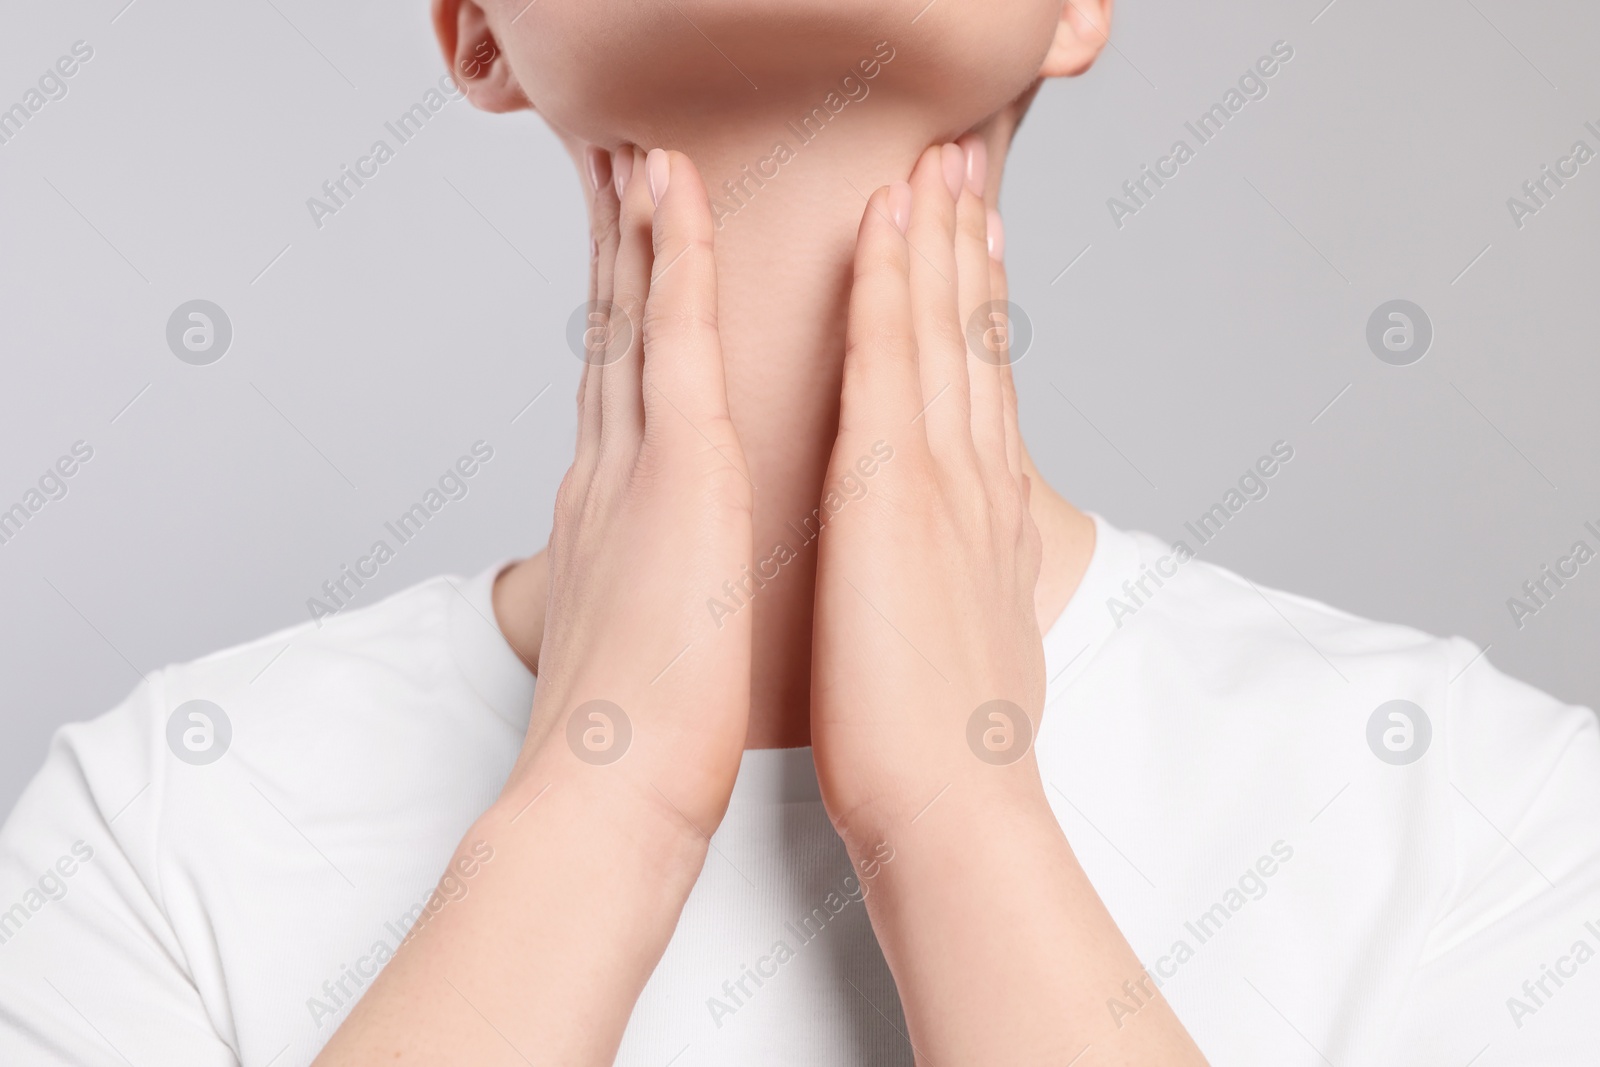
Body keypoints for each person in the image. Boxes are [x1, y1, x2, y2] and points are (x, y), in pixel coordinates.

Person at [2, 1, 1597, 1063]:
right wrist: (596, 806)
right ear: (475, 26)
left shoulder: (1485, 812)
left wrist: (960, 814)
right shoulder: (156, 823)